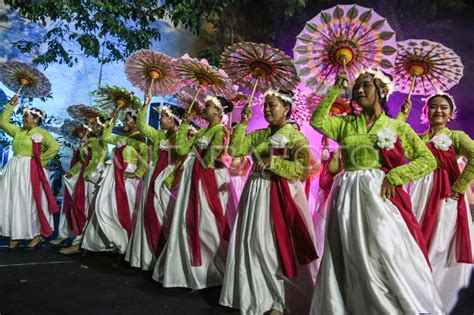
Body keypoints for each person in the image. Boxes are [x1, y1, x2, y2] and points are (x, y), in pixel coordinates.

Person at [309, 69, 443, 314]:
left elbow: (427, 160)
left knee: (385, 249)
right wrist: (334, 90)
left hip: (379, 194)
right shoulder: (346, 124)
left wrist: (395, 175)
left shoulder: (396, 127)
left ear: (381, 91)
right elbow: (316, 121)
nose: (359, 90)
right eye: (356, 86)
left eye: (366, 86)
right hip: (347, 195)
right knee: (348, 252)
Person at [220, 89, 318, 315]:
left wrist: (274, 163)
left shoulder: (294, 136)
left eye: (271, 105)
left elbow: (306, 169)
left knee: (271, 245)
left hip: (278, 194)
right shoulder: (258, 134)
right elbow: (235, 150)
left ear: (286, 108)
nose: (266, 110)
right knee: (252, 242)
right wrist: (243, 123)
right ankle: (255, 294)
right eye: (264, 106)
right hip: (254, 192)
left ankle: (278, 299)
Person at [153, 95, 237, 289]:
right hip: (194, 177)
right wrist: (184, 125)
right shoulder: (202, 132)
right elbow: (182, 149)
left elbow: (209, 159)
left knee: (206, 222)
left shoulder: (220, 131)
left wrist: (196, 158)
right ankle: (187, 270)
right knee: (187, 220)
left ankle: (210, 269)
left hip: (207, 179)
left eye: (207, 106)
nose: (204, 109)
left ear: (217, 111)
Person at [405, 92, 474, 312]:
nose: (438, 111)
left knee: (442, 241)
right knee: (414, 241)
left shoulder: (456, 137)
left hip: (446, 196)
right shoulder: (417, 138)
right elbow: (397, 151)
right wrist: (401, 117)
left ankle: (442, 297)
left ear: (451, 113)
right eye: (433, 107)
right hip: (418, 193)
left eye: (443, 107)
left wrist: (460, 186)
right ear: (425, 111)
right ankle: (416, 295)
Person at [125, 90, 186, 270]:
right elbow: (143, 128)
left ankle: (167, 258)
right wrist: (145, 104)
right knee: (151, 214)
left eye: (164, 117)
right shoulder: (160, 136)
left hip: (169, 182)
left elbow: (182, 156)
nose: (160, 120)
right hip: (155, 179)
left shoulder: (181, 136)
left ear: (172, 118)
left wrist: (169, 180)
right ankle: (151, 258)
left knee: (168, 218)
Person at [81, 109, 148, 254]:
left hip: (129, 180)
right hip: (114, 176)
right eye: (123, 120)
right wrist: (113, 117)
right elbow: (105, 136)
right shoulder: (121, 138)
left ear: (136, 123)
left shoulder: (139, 139)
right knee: (104, 207)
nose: (124, 122)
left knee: (126, 212)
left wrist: (136, 173)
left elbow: (145, 158)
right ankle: (111, 242)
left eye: (127, 120)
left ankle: (125, 246)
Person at [0, 95, 60, 249]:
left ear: (35, 119)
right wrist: (10, 106)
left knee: (29, 202)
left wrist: (40, 161)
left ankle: (37, 235)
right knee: (14, 201)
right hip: (15, 169)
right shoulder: (19, 131)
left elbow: (54, 147)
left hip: (30, 170)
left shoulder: (42, 133)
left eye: (26, 116)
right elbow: (2, 123)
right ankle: (16, 233)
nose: (23, 119)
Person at [59, 117, 108, 254]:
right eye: (91, 125)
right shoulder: (88, 142)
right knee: (82, 207)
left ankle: (83, 243)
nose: (92, 127)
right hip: (85, 177)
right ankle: (80, 241)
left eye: (96, 125)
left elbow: (97, 159)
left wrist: (86, 174)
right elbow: (82, 161)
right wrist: (72, 171)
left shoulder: (101, 142)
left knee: (89, 209)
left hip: (94, 178)